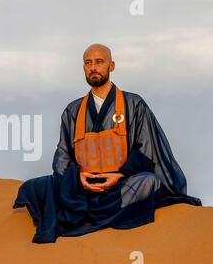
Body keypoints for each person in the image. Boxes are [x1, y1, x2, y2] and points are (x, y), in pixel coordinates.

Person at [12, 43, 202, 243]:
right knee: (33, 187)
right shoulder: (73, 111)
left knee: (148, 181)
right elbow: (62, 154)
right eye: (88, 63)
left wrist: (118, 175)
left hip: (119, 186)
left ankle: (88, 215)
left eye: (99, 62)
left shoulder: (133, 105)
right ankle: (96, 212)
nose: (93, 67)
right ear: (84, 68)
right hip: (81, 188)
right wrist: (78, 177)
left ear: (111, 66)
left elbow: (147, 149)